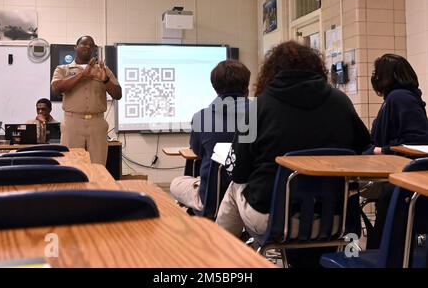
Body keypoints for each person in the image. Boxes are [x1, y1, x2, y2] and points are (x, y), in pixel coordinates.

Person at [215, 41, 371, 267]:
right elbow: (363, 150)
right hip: (336, 219)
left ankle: (217, 258)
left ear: (270, 72)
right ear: (318, 68)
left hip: (276, 220)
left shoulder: (257, 108)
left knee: (234, 188)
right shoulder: (341, 102)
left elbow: (239, 173)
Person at [364, 54, 428, 249]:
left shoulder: (399, 97)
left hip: (398, 172)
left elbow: (417, 139)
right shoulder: (403, 97)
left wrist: (380, 150)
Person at [170, 60, 251, 212]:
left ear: (215, 87)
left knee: (177, 183)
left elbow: (197, 153)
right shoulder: (261, 114)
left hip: (212, 198)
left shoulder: (201, 117)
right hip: (250, 197)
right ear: (246, 85)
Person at [51, 35, 121, 164]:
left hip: (97, 123)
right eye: (84, 44)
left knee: (98, 166)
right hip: (72, 123)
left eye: (91, 45)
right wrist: (82, 74)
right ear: (75, 47)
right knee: (71, 166)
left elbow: (118, 94)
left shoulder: (103, 71)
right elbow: (57, 88)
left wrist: (105, 80)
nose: (88, 46)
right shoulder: (62, 69)